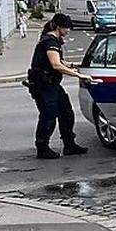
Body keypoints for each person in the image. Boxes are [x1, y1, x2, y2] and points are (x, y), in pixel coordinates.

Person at [27, 13, 93, 159]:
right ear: (58, 27)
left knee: (66, 113)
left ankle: (69, 145)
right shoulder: (49, 41)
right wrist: (79, 75)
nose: (68, 30)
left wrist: (72, 66)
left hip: (52, 85)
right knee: (48, 116)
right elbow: (56, 64)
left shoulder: (54, 40)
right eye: (66, 28)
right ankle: (42, 148)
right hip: (44, 86)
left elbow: (60, 62)